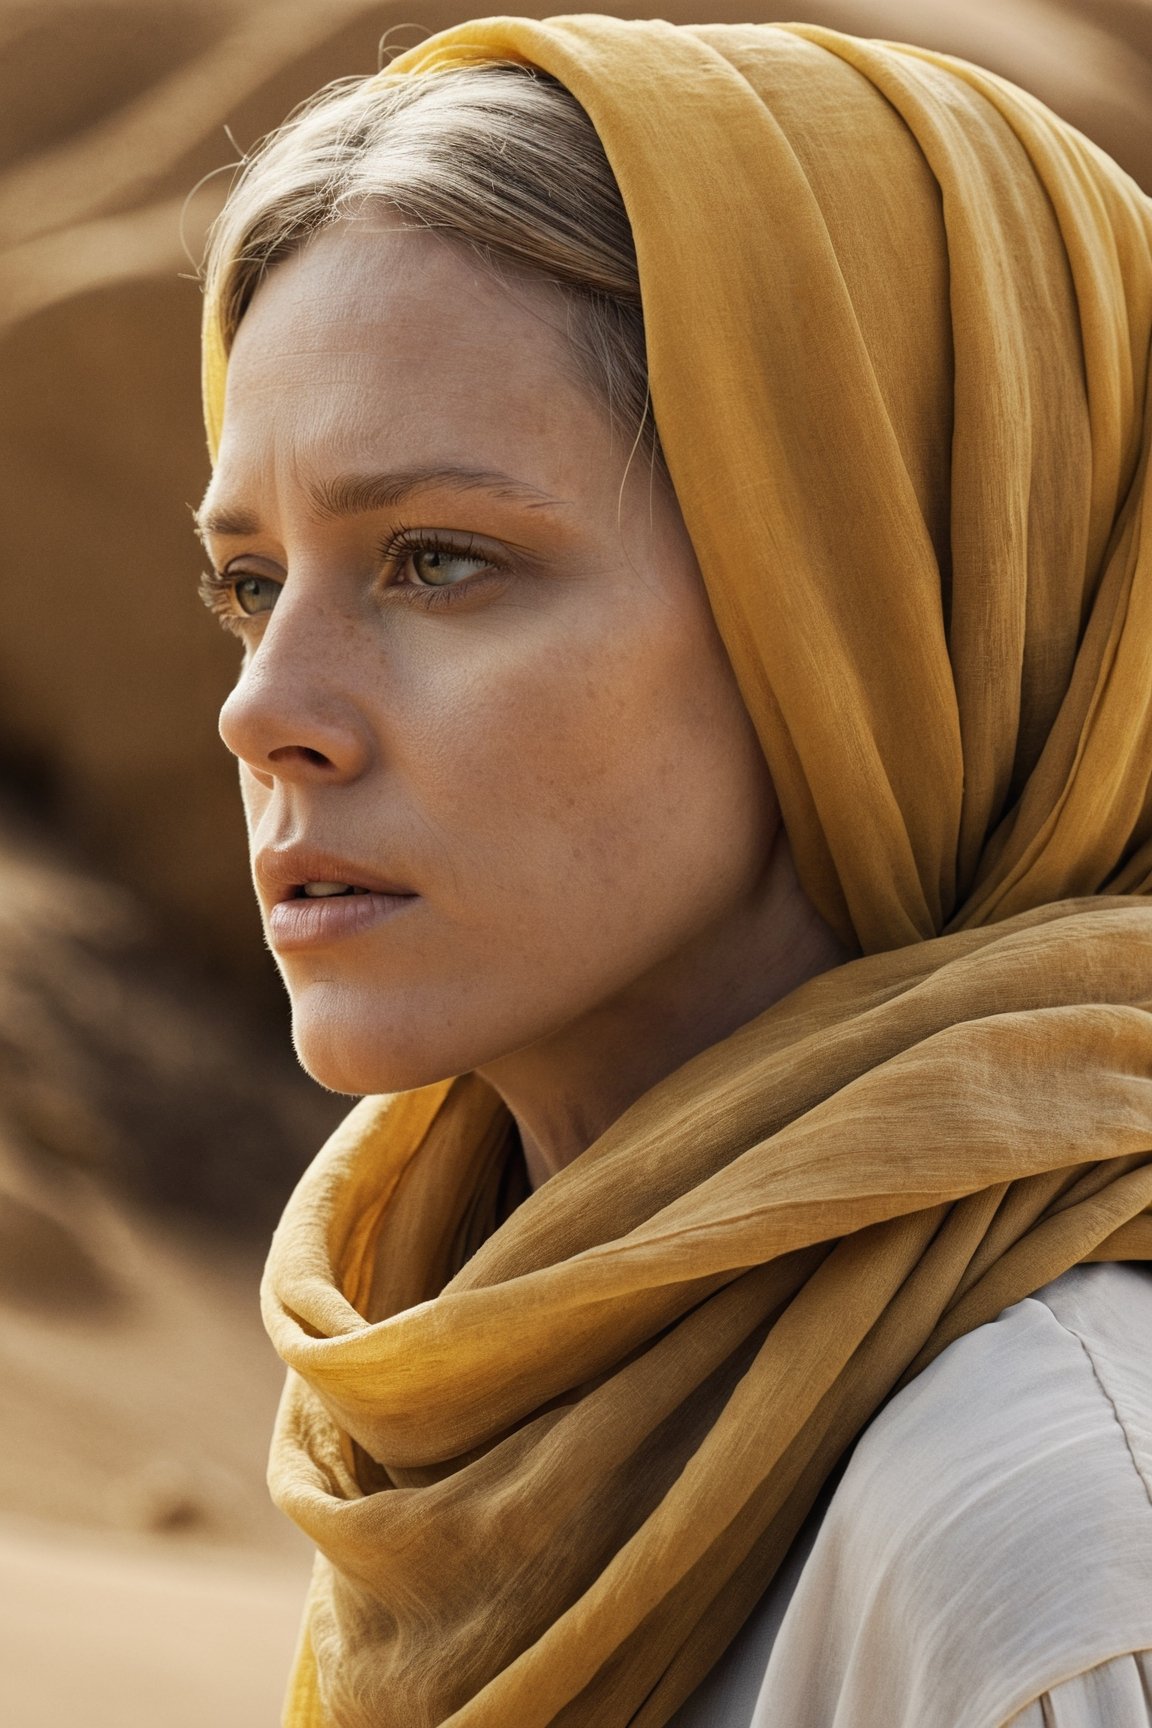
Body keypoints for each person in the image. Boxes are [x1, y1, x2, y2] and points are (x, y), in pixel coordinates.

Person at [194, 16, 1152, 1726]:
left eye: (438, 560)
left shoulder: (1037, 1535)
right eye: (254, 580)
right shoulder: (475, 1419)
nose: (266, 710)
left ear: (870, 608)